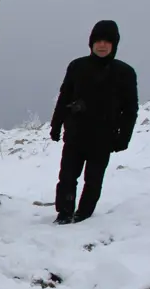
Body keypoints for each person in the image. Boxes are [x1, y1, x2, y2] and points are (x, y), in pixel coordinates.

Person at [49, 19, 138, 224]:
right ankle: (64, 212)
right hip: (75, 133)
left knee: (94, 179)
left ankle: (84, 215)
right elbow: (64, 97)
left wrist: (123, 137)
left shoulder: (124, 72)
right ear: (91, 43)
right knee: (68, 177)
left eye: (107, 41)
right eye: (98, 40)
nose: (102, 45)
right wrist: (56, 125)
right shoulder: (77, 66)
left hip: (103, 137)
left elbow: (130, 109)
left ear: (114, 44)